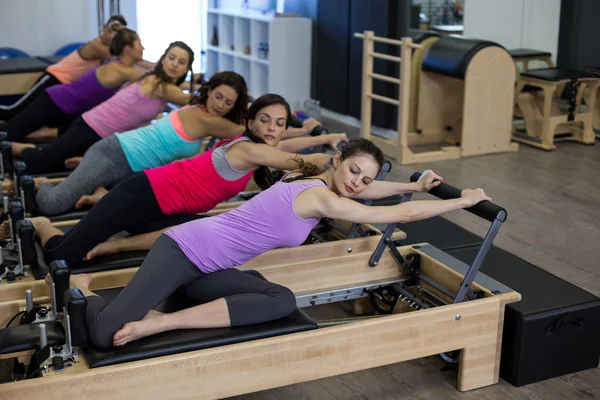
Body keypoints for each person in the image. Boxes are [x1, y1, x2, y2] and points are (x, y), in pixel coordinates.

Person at [62, 137, 491, 348]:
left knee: (279, 298)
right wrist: (462, 202)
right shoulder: (320, 196)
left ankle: (162, 317)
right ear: (338, 160)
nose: (358, 183)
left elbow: (376, 193)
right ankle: (84, 291)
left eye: (367, 177)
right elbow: (397, 214)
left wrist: (416, 185)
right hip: (182, 251)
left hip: (204, 268)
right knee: (102, 334)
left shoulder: (314, 176)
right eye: (354, 171)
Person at [29, 94, 343, 264]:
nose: (273, 129)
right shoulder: (248, 149)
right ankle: (43, 224)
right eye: (265, 120)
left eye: (279, 123)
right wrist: (339, 160)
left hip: (162, 210)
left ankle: (114, 241)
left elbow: (286, 145)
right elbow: (295, 159)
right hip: (142, 193)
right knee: (63, 256)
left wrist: (329, 138)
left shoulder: (262, 145)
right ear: (250, 122)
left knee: (194, 231)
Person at [33, 71, 250, 215]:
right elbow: (249, 131)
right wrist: (277, 124)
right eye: (218, 96)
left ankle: (100, 190)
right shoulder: (205, 118)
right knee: (52, 204)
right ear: (209, 91)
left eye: (228, 102)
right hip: (114, 154)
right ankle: (42, 182)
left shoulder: (201, 110)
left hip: (133, 169)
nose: (220, 104)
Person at [9, 41, 195, 175]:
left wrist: (199, 84)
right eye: (171, 58)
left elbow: (182, 90)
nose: (174, 64)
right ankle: (11, 149)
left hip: (101, 132)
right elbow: (188, 99)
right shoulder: (160, 85)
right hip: (92, 126)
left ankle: (21, 150)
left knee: (61, 162)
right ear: (163, 59)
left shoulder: (159, 80)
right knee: (45, 162)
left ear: (187, 68)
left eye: (181, 62)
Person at [2, 28, 145, 142]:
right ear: (127, 49)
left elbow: (146, 70)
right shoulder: (118, 68)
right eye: (139, 44)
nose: (143, 48)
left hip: (69, 111)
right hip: (54, 101)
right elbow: (150, 77)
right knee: (9, 132)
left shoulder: (121, 66)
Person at [0, 15, 128, 122]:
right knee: (13, 112)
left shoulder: (109, 49)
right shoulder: (95, 45)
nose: (110, 34)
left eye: (115, 32)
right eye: (109, 29)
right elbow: (117, 57)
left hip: (64, 89)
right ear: (104, 28)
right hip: (54, 78)